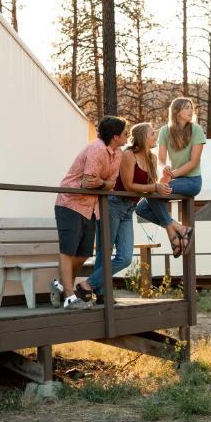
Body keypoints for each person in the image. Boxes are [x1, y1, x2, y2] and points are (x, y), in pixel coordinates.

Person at [79, 122, 171, 303]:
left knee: (125, 257)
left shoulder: (152, 159)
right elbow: (129, 185)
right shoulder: (128, 155)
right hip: (113, 204)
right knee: (105, 252)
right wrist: (155, 186)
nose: (156, 137)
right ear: (144, 137)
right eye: (153, 134)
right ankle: (102, 295)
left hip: (129, 209)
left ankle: (87, 285)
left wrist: (165, 178)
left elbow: (152, 186)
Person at [52, 116, 128, 309]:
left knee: (84, 253)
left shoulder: (118, 154)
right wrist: (103, 183)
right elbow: (87, 182)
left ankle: (60, 284)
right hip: (70, 203)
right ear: (115, 136)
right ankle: (69, 297)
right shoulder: (96, 149)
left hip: (90, 207)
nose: (128, 136)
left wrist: (101, 183)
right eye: (125, 133)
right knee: (68, 251)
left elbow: (109, 185)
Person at [134, 97, 205, 257]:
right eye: (186, 108)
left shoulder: (197, 130)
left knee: (154, 191)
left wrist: (173, 174)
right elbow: (160, 159)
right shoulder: (165, 131)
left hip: (192, 181)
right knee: (141, 208)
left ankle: (175, 233)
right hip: (174, 179)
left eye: (191, 108)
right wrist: (163, 167)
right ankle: (179, 229)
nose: (190, 110)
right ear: (176, 111)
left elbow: (194, 162)